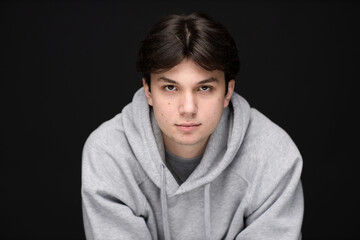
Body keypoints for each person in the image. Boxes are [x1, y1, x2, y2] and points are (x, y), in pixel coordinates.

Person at [81, 12, 304, 240]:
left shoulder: (272, 153)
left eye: (204, 88)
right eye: (170, 88)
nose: (188, 108)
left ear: (227, 92)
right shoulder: (109, 153)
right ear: (148, 91)